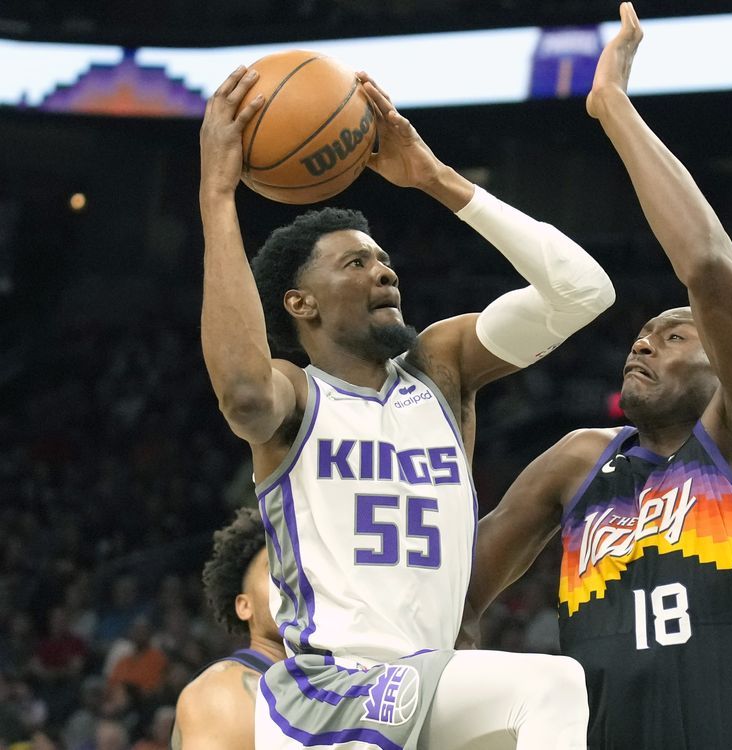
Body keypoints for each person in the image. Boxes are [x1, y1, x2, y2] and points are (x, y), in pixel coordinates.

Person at [199, 60, 613, 750]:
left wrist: (435, 180)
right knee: (551, 687)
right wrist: (218, 194)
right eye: (354, 264)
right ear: (300, 304)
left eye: (383, 258)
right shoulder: (297, 394)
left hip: (427, 683)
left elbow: (583, 293)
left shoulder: (441, 368)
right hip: (327, 694)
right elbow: (243, 395)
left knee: (546, 695)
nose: (382, 269)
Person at [466, 4, 732, 748]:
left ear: (727, 365)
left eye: (674, 333)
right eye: (643, 334)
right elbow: (456, 594)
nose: (645, 343)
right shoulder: (578, 462)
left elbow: (712, 270)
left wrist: (614, 107)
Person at [172, 507, 284, 749]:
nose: (291, 582)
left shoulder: (334, 677)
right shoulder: (222, 691)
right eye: (274, 570)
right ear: (245, 606)